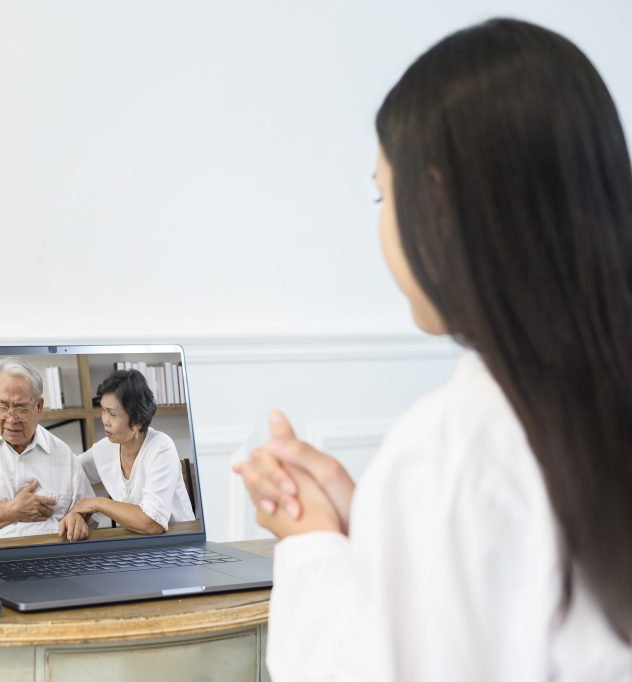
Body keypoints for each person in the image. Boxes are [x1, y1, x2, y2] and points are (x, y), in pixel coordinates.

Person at [234, 18, 631, 681]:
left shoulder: (451, 449)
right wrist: (379, 526)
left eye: (383, 194)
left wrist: (313, 544)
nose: (383, 220)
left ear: (440, 206)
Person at [0, 357, 95, 542]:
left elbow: (87, 511)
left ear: (39, 406)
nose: (11, 418)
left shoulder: (62, 452)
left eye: (21, 407)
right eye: (3, 406)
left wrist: (78, 517)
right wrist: (11, 511)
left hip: (52, 557)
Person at [70, 369, 195, 535]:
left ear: (137, 421)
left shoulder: (161, 447)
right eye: (103, 410)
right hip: (136, 545)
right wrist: (76, 513)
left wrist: (97, 503)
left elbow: (152, 524)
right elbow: (70, 471)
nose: (105, 421)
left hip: (178, 546)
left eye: (112, 414)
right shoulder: (104, 448)